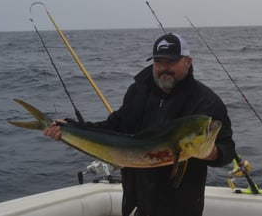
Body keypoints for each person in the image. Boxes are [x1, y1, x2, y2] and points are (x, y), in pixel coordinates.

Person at [44, 33, 236, 216]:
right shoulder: (138, 91)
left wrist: (210, 153)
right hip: (137, 204)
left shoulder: (207, 102)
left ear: (188, 61)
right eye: (159, 61)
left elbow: (227, 149)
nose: (164, 67)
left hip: (180, 209)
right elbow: (114, 126)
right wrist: (71, 128)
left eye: (171, 62)